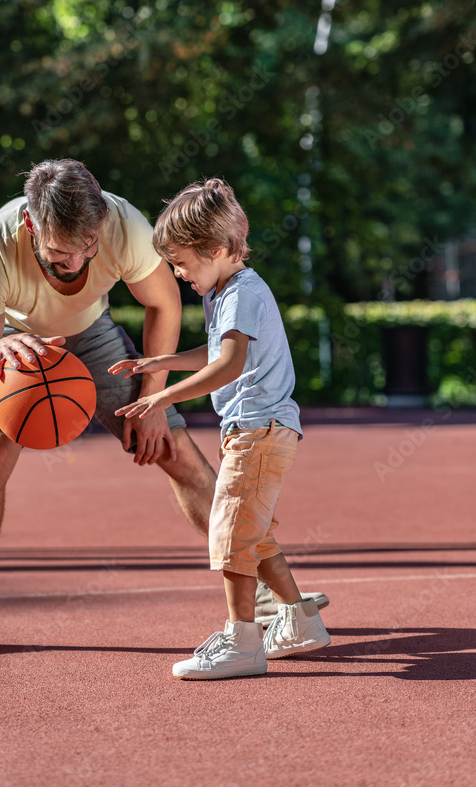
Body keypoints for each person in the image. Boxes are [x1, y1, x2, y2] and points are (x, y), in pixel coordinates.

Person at [0, 158, 327, 659]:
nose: (75, 262)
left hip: (93, 334)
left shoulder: (126, 227)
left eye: (87, 247)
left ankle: (271, 595)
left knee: (173, 450)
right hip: (15, 340)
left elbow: (164, 304)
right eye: (59, 250)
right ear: (31, 224)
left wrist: (153, 398)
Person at [110, 177, 330, 679]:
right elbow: (216, 353)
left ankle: (242, 643)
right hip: (256, 428)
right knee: (254, 536)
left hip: (259, 428)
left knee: (229, 531)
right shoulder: (226, 291)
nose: (177, 273)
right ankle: (300, 621)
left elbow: (229, 364)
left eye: (182, 262)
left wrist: (164, 395)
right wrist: (160, 362)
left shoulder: (241, 294)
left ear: (217, 249)